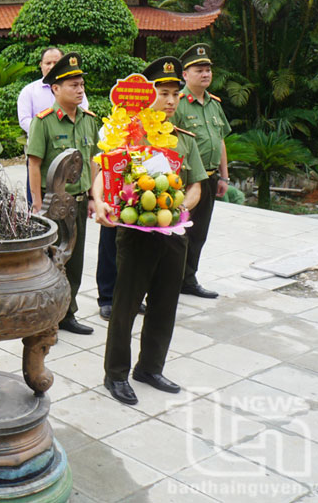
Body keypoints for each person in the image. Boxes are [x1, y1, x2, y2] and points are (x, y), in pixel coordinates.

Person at [93, 57, 207, 405]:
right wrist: (99, 203)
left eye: (175, 93)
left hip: (174, 235)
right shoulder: (127, 134)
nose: (171, 101)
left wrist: (180, 208)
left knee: (165, 304)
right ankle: (116, 374)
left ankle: (150, 367)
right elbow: (104, 173)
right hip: (136, 234)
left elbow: (196, 184)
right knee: (126, 306)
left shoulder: (182, 140)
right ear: (146, 95)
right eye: (163, 93)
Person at [25, 52, 99, 336]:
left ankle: (68, 312)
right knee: (50, 260)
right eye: (73, 85)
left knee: (75, 260)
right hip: (53, 203)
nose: (80, 90)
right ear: (55, 89)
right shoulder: (43, 121)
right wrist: (37, 204)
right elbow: (34, 164)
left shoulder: (89, 120)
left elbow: (93, 160)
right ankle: (45, 315)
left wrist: (93, 197)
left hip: (78, 202)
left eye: (81, 85)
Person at [173, 43, 230, 299]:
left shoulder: (214, 104)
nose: (205, 74)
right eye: (199, 70)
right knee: (178, 232)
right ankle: (171, 280)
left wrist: (224, 175)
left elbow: (220, 140)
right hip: (186, 181)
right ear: (185, 75)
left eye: (208, 70)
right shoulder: (177, 103)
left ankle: (188, 279)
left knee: (199, 233)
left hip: (209, 177)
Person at [18, 47, 90, 208]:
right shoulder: (29, 91)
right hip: (41, 148)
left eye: (55, 62)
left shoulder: (76, 89)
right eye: (47, 63)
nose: (51, 66)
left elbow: (82, 112)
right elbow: (24, 119)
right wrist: (47, 131)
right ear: (40, 65)